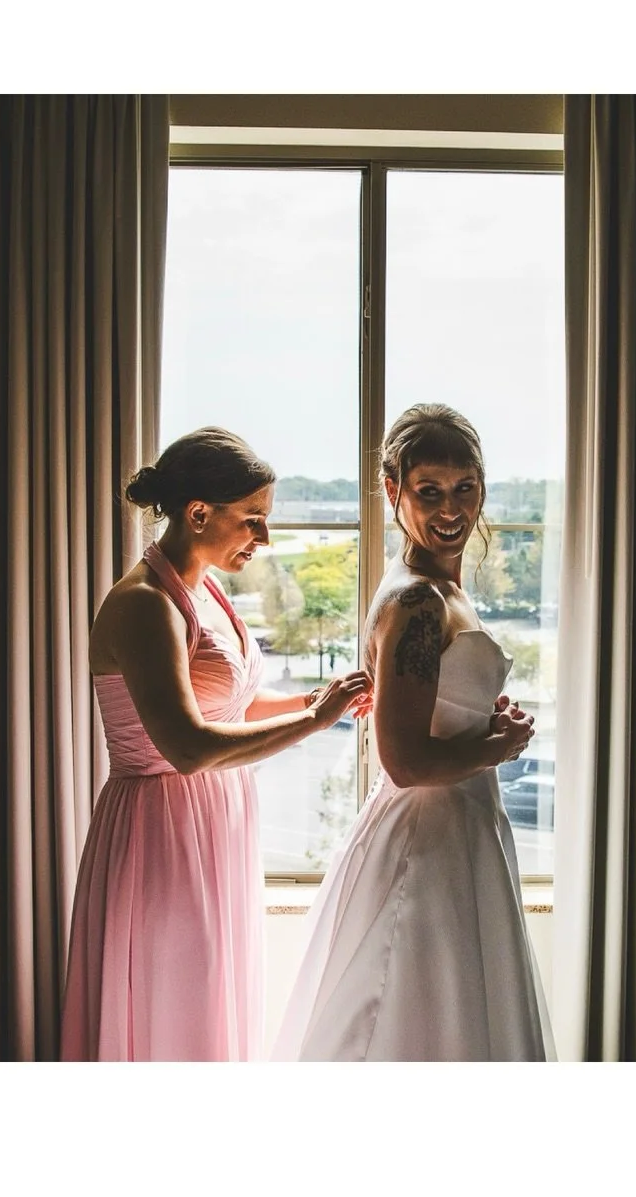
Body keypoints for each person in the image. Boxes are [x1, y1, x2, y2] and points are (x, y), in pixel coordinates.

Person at [60, 427, 370, 1061]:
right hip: (161, 831)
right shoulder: (147, 604)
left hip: (215, 819)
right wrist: (315, 722)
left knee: (210, 1000)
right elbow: (189, 747)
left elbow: (229, 706)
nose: (264, 538)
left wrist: (323, 700)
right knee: (174, 1004)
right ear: (198, 512)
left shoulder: (205, 588)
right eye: (252, 520)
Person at [273, 404, 555, 1061]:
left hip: (461, 824)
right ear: (393, 489)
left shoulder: (434, 586)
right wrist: (498, 746)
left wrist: (481, 715)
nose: (451, 509)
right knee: (423, 1017)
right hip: (431, 840)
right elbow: (403, 760)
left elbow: (433, 705)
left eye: (466, 488)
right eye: (429, 491)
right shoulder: (420, 603)